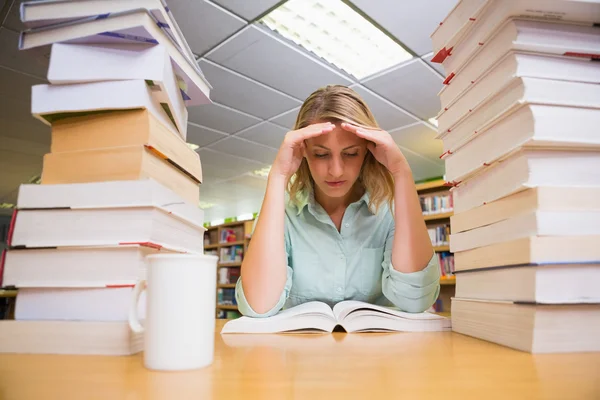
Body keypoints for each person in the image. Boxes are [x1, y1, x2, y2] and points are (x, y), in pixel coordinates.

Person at [235, 85, 440, 317]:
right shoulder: (282, 212)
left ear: (367, 151)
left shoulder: (389, 210)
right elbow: (258, 306)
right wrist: (278, 176)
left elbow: (416, 300)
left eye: (351, 153)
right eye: (321, 154)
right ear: (303, 151)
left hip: (380, 352)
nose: (335, 171)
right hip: (301, 351)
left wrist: (401, 172)